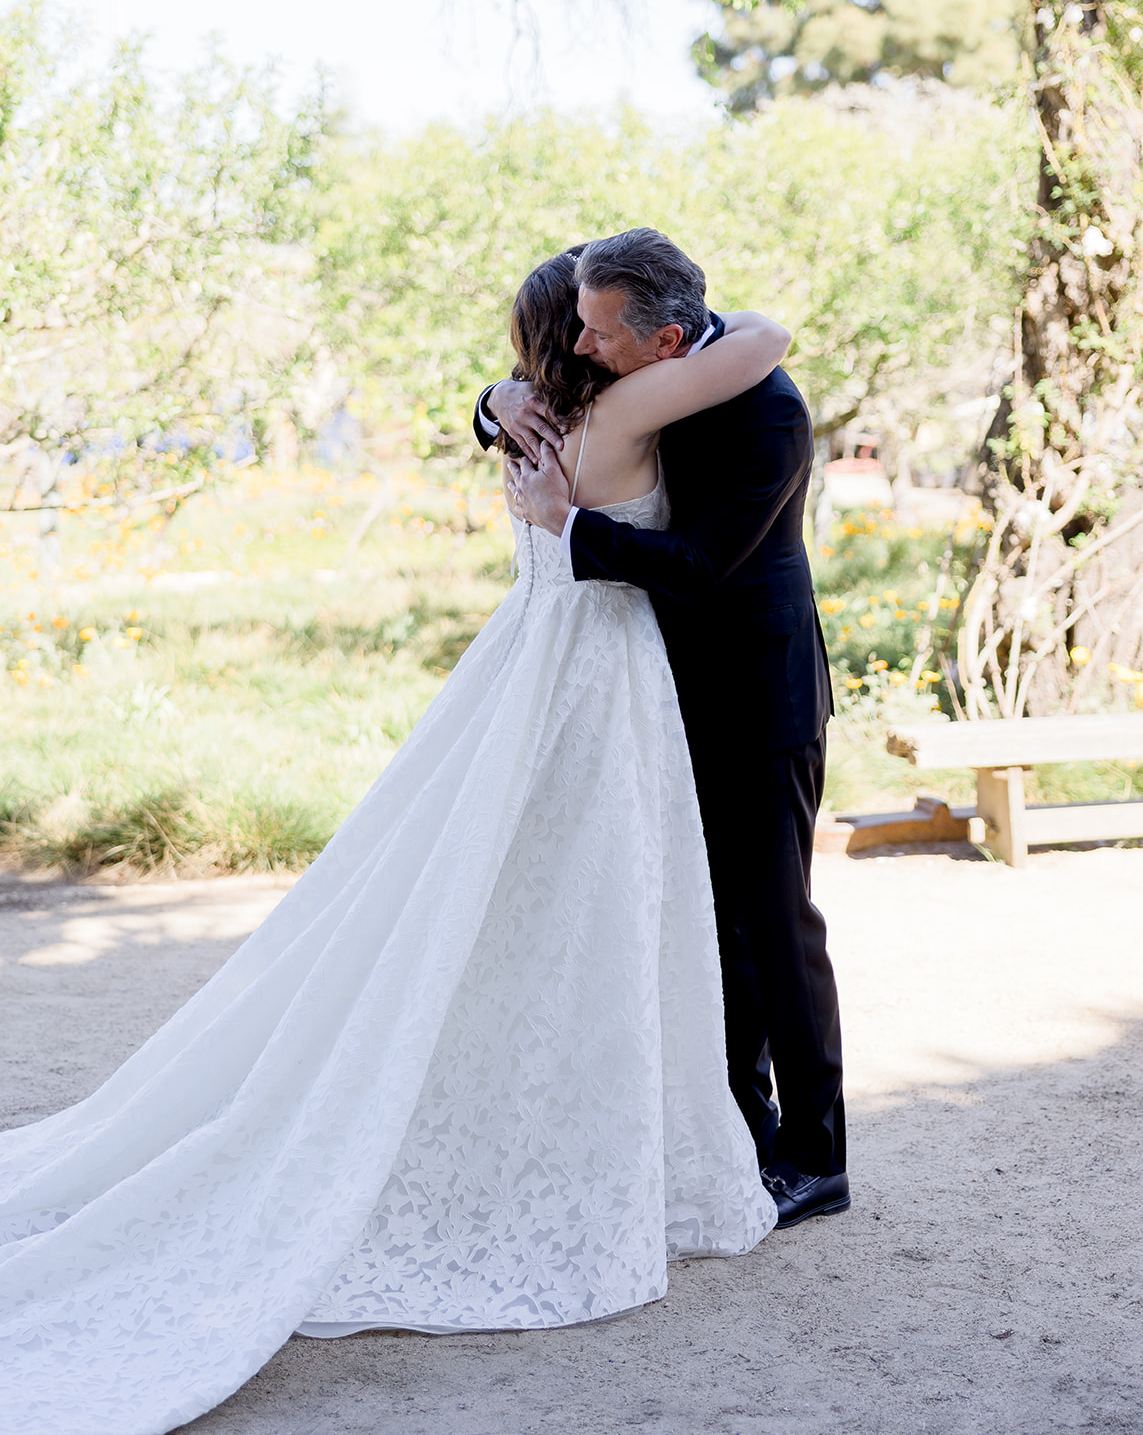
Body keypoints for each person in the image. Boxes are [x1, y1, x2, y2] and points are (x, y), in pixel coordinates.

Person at [0, 250, 790, 1435]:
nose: (586, 341)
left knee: (498, 895)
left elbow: (560, 392)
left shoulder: (531, 418)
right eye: (577, 327)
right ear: (568, 342)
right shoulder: (626, 402)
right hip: (599, 675)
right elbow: (765, 336)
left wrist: (494, 395)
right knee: (602, 902)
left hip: (524, 657)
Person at [482, 228, 848, 1230]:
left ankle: (817, 1158)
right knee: (708, 923)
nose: (587, 345)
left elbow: (696, 565)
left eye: (604, 333)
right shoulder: (638, 372)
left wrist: (565, 525)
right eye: (585, 332)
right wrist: (496, 401)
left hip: (757, 694)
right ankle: (738, 1130)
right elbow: (541, 367)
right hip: (660, 688)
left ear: (667, 337)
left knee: (775, 927)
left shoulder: (767, 414)